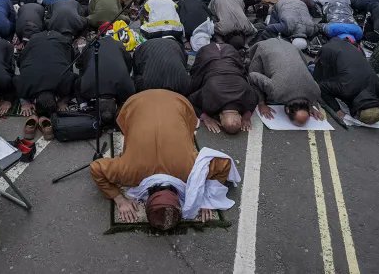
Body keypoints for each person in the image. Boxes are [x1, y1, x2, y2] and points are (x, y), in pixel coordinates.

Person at [89, 89, 237, 228]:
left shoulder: (190, 171)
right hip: (156, 102)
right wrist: (120, 200)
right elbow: (96, 169)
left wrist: (119, 200)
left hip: (169, 102)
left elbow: (225, 164)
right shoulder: (129, 174)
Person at [248, 38, 324, 125]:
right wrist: (261, 103)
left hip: (290, 47)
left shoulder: (315, 92)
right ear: (287, 110)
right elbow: (253, 75)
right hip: (265, 48)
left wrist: (310, 106)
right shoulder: (276, 91)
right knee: (254, 72)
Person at [313, 37, 379, 125]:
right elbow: (323, 87)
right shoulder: (347, 90)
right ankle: (312, 66)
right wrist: (337, 109)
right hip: (329, 51)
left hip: (348, 47)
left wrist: (378, 113)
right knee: (316, 82)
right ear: (358, 111)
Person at [188, 42, 256, 134]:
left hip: (228, 50)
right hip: (209, 54)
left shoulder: (245, 93)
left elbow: (255, 98)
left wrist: (247, 115)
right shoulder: (210, 99)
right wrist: (206, 118)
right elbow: (190, 99)